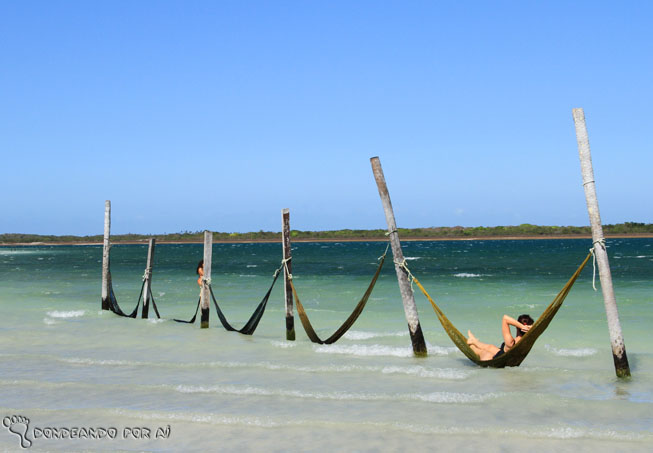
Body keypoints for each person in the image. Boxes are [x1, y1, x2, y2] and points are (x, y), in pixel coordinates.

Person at [466, 314, 534, 361]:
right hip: (501, 353)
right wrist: (530, 328)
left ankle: (471, 344)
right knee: (490, 347)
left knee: (482, 352)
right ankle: (474, 341)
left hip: (495, 358)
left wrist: (521, 326)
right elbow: (538, 327)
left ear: (516, 326)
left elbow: (505, 318)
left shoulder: (511, 342)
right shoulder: (528, 340)